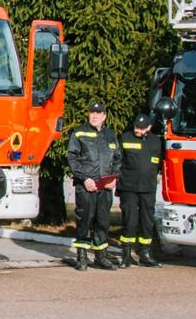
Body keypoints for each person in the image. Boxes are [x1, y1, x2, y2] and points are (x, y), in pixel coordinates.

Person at [66, 103, 121, 272]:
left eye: (98, 113)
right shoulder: (79, 132)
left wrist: (115, 178)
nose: (94, 116)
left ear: (104, 116)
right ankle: (82, 256)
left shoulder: (110, 135)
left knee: (102, 221)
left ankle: (101, 256)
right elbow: (72, 158)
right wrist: (84, 178)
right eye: (92, 113)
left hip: (105, 187)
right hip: (86, 186)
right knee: (85, 220)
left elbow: (118, 159)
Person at [115, 113, 164, 268]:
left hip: (148, 188)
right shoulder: (125, 138)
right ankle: (126, 255)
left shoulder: (156, 141)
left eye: (142, 128)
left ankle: (145, 254)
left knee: (147, 221)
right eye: (137, 127)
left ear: (149, 127)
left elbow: (160, 162)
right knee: (129, 220)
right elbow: (117, 161)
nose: (138, 130)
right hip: (128, 187)